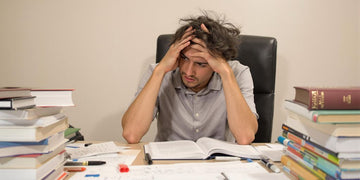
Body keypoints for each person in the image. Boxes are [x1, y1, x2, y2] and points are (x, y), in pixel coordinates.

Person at [122, 12, 258, 145]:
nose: (188, 71)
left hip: (219, 162)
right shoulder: (158, 72)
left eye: (200, 64)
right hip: (168, 163)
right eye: (184, 58)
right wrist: (160, 71)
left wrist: (226, 74)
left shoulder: (237, 73)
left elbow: (245, 137)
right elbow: (131, 134)